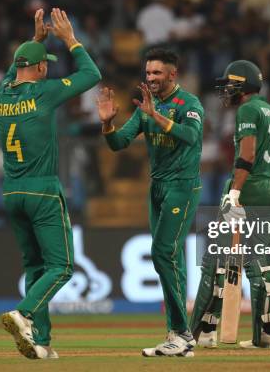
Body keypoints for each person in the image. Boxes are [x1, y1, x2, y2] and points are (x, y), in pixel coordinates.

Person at [0, 8, 101, 360]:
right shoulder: (44, 93)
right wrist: (70, 40)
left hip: (12, 192)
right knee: (62, 267)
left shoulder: (0, 99)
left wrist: (34, 42)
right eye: (45, 65)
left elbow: (14, 74)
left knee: (35, 267)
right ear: (41, 69)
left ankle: (41, 340)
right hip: (41, 191)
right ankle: (23, 313)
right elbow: (91, 74)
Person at [96, 48, 203, 357]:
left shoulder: (189, 104)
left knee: (162, 253)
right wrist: (107, 124)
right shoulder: (146, 108)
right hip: (157, 188)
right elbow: (118, 144)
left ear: (173, 75)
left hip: (182, 188)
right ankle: (178, 337)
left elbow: (191, 137)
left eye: (157, 73)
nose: (151, 78)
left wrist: (155, 115)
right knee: (171, 260)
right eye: (148, 73)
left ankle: (182, 333)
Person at [190, 60, 270, 349]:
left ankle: (200, 331)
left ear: (242, 85)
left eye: (230, 83)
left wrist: (235, 193)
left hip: (249, 188)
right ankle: (269, 332)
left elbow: (247, 155)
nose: (226, 89)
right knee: (263, 260)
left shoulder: (248, 109)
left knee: (216, 260)